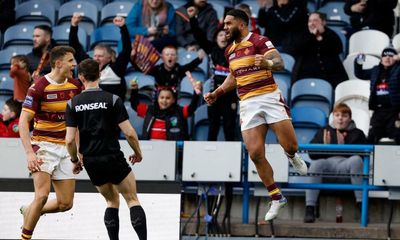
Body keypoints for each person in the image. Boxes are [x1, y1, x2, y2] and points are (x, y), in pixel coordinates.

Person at [204, 9, 308, 221]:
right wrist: (218, 92)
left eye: (228, 24)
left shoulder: (259, 41)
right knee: (254, 153)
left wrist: (268, 63)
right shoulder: (229, 50)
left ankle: (291, 155)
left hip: (269, 97)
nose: (224, 28)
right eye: (224, 24)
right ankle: (276, 197)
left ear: (242, 25)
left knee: (290, 145)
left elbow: (279, 63)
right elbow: (234, 76)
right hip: (248, 103)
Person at [65, 59, 147, 240]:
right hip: (112, 156)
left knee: (111, 202)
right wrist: (138, 153)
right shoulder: (112, 99)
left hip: (91, 161)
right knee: (132, 199)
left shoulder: (72, 104)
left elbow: (69, 140)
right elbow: (130, 133)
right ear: (100, 74)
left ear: (80, 77)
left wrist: (74, 161)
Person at [19, 46, 82, 240]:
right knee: (42, 195)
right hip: (43, 145)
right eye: (71, 61)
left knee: (66, 204)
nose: (74, 64)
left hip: (65, 147)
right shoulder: (38, 87)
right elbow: (23, 122)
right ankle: (24, 237)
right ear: (58, 63)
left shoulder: (75, 86)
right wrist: (30, 152)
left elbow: (76, 123)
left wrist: (77, 152)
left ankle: (31, 211)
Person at [303, 103, 367, 223]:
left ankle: (362, 206)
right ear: (333, 117)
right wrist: (325, 147)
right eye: (337, 115)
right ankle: (309, 208)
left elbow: (364, 156)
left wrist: (343, 147)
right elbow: (312, 154)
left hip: (348, 170)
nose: (340, 118)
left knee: (356, 160)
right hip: (328, 169)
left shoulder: (358, 133)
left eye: (344, 115)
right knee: (316, 164)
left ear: (350, 118)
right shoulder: (324, 131)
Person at [188, 8, 237, 141]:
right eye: (220, 35)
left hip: (231, 93)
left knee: (230, 126)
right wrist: (192, 18)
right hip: (214, 92)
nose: (223, 37)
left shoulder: (235, 51)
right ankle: (210, 154)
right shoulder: (211, 49)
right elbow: (199, 36)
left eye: (225, 35)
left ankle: (231, 156)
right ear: (215, 38)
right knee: (213, 125)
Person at [70, 14, 130, 100]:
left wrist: (123, 28)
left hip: (111, 110)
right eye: (95, 55)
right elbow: (75, 47)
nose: (96, 58)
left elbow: (126, 49)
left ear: (109, 58)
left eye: (100, 56)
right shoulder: (88, 66)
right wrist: (74, 26)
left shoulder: (116, 69)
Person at [354, 46, 400, 144]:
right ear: (381, 58)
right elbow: (360, 74)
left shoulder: (398, 69)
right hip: (378, 111)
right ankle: (369, 159)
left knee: (397, 135)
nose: (387, 58)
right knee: (372, 136)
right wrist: (359, 61)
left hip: (394, 111)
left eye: (391, 56)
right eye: (385, 56)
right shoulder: (375, 70)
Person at [292, 12, 348, 88]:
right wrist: (312, 36)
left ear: (323, 22)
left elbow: (338, 49)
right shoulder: (304, 35)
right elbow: (297, 49)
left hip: (330, 75)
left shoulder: (330, 34)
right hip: (306, 75)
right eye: (310, 21)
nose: (312, 23)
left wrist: (323, 35)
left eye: (315, 20)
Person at [130, 83, 201, 140]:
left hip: (172, 149)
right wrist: (134, 90)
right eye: (161, 97)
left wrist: (196, 93)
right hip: (150, 147)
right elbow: (135, 105)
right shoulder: (149, 110)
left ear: (173, 100)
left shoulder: (179, 111)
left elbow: (191, 108)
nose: (164, 100)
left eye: (168, 98)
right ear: (157, 99)